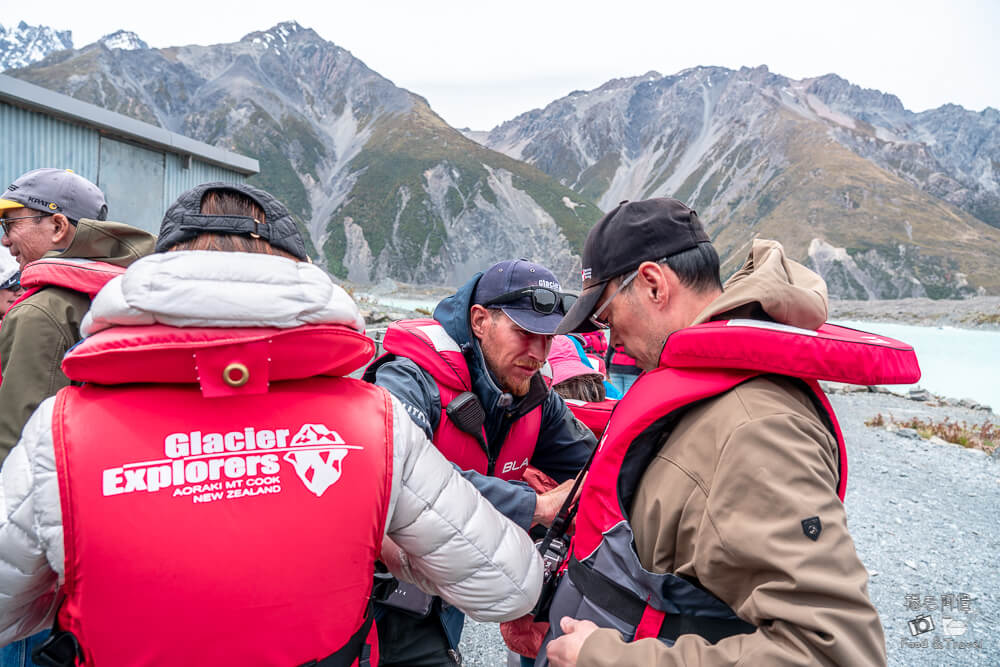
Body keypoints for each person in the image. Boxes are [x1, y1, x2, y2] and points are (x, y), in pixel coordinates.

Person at [0, 182, 543, 665]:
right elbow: (510, 586)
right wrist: (389, 548)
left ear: (157, 273)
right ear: (298, 275)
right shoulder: (375, 423)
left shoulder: (62, 429)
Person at [538, 198, 890, 666]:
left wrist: (605, 658)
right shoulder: (703, 390)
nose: (609, 339)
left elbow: (835, 651)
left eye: (605, 315)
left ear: (652, 285)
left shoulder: (754, 428)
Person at [365, 259, 596, 666]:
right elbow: (391, 473)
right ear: (479, 320)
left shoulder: (534, 396)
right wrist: (536, 507)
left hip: (446, 593)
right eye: (525, 333)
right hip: (377, 594)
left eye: (549, 338)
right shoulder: (410, 378)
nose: (539, 353)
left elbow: (595, 462)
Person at [0, 168, 155, 463]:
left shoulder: (39, 312)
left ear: (58, 226)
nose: (5, 241)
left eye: (10, 225)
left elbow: (20, 445)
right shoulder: (129, 290)